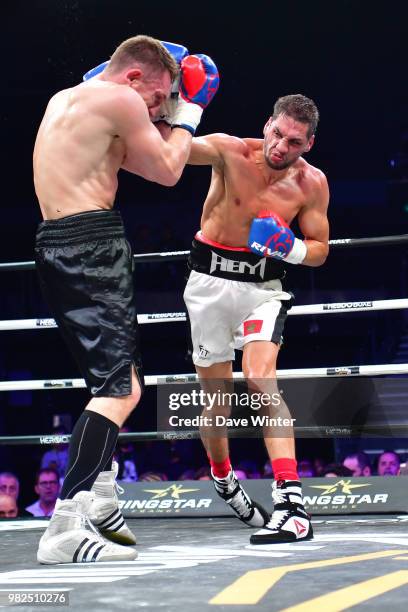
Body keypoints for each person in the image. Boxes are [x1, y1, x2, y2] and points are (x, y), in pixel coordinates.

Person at [33, 35, 218, 564]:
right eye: (157, 97)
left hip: (61, 244)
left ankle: (100, 492)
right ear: (134, 80)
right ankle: (65, 525)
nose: (158, 110)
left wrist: (168, 102)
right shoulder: (120, 98)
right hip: (89, 244)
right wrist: (192, 107)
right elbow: (165, 170)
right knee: (121, 389)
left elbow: (138, 157)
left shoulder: (70, 98)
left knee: (118, 378)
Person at [183, 94, 329, 543]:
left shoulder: (312, 184)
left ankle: (291, 504)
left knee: (261, 379)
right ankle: (223, 475)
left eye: (295, 141)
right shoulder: (229, 152)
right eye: (278, 133)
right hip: (208, 283)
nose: (282, 146)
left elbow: (320, 249)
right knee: (216, 400)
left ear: (309, 144)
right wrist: (183, 108)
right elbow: (169, 153)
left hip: (264, 290)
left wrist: (293, 248)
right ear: (267, 124)